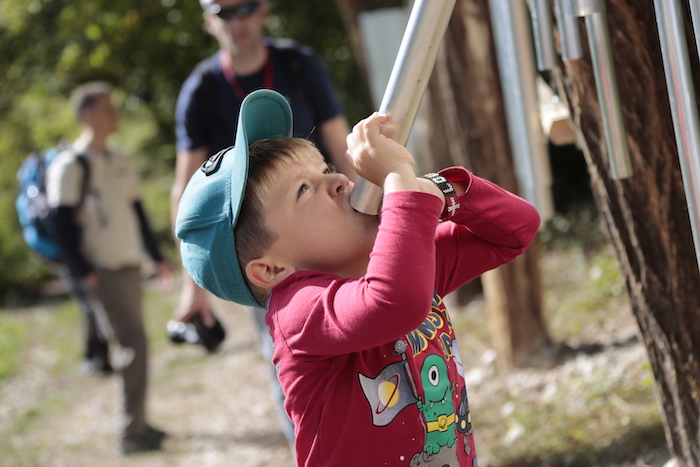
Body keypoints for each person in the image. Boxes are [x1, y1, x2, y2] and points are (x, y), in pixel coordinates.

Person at [175, 89, 541, 466]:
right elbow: (392, 302)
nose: (339, 182)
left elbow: (516, 229)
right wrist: (399, 181)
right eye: (304, 190)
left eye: (325, 170)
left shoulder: (400, 266)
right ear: (272, 270)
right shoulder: (298, 313)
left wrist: (431, 189)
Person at [171, 0, 353, 445]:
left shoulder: (298, 63)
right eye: (223, 11)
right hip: (260, 252)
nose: (237, 21)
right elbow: (186, 197)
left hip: (327, 228)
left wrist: (367, 204)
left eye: (246, 7)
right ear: (208, 21)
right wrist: (193, 287)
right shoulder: (201, 87)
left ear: (264, 10)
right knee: (289, 365)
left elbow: (341, 145)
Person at [46, 81, 173, 455]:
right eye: (107, 109)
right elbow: (60, 223)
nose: (115, 115)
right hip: (102, 271)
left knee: (136, 345)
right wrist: (84, 270)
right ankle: (131, 434)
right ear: (88, 116)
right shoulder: (70, 165)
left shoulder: (119, 159)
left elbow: (136, 211)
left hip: (129, 265)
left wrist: (157, 255)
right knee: (135, 345)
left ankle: (139, 425)